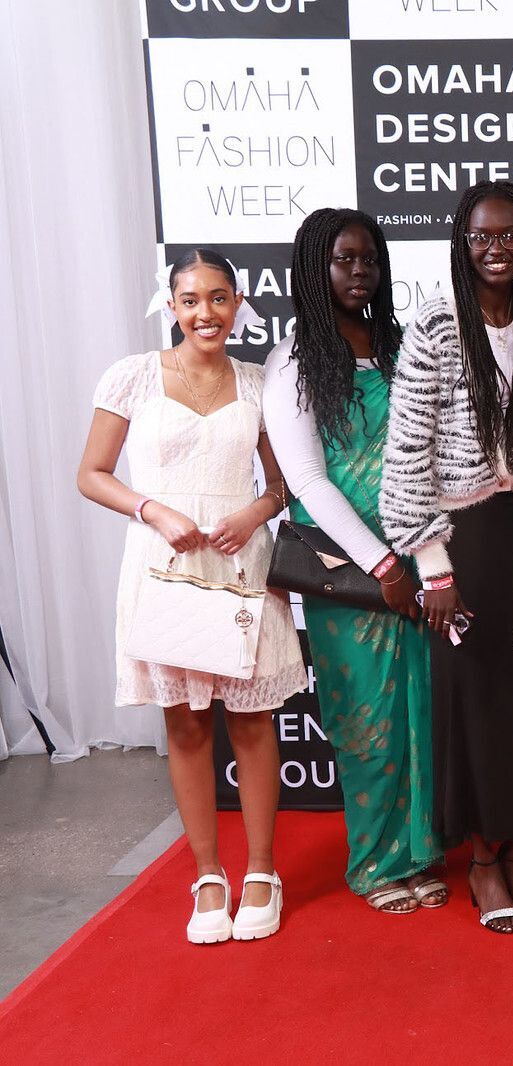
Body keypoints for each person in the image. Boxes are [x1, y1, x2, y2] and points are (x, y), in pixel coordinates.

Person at [78, 249, 305, 944]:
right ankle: (209, 874)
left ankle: (262, 870)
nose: (204, 313)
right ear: (169, 305)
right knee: (184, 725)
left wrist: (253, 513)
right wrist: (153, 510)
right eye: (190, 300)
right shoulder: (133, 376)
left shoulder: (260, 383)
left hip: (240, 566)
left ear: (238, 303)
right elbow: (91, 474)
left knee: (254, 721)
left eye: (217, 298)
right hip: (164, 565)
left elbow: (281, 484)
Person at [380, 180, 513, 934]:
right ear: (462, 244)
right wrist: (432, 565)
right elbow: (406, 455)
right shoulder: (434, 325)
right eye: (482, 237)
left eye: (512, 236)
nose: (497, 250)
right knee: (476, 696)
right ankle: (485, 863)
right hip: (463, 540)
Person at [262, 208, 447, 915]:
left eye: (369, 257)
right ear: (315, 267)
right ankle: (374, 864)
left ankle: (422, 852)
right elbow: (307, 481)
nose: (359, 270)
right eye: (343, 259)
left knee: (422, 711)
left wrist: (427, 560)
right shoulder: (295, 361)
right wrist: (382, 565)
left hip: (424, 557)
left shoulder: (402, 347)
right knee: (366, 715)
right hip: (351, 572)